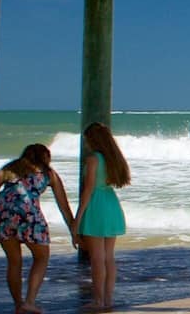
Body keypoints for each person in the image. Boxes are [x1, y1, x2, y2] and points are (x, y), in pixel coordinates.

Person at [0, 144, 77, 314]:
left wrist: (5, 206)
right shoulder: (49, 174)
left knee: (14, 261)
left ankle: (18, 304)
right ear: (45, 158)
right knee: (42, 257)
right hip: (29, 215)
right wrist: (73, 229)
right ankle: (29, 301)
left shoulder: (10, 168)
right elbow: (63, 205)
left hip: (3, 215)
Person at [75, 122, 131, 311]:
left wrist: (77, 219)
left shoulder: (93, 159)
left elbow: (88, 190)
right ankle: (108, 299)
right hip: (111, 203)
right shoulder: (113, 158)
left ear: (93, 140)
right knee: (108, 257)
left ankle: (98, 300)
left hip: (96, 206)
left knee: (97, 258)